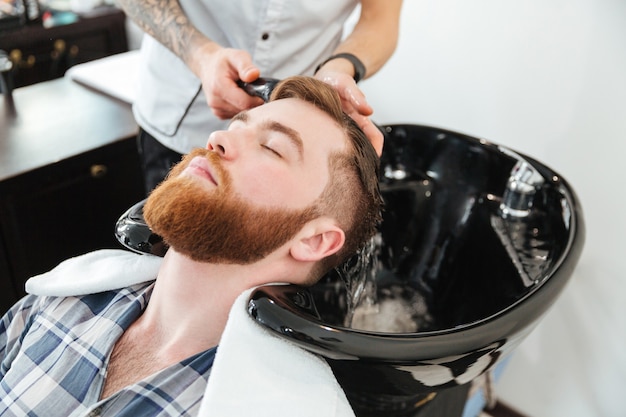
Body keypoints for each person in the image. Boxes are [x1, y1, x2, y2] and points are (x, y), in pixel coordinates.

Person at [0, 76, 383, 416]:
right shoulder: (59, 301)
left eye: (271, 147)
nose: (218, 139)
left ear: (314, 240)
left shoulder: (290, 406)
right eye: (235, 126)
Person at [117, 0, 403, 192]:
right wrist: (200, 56)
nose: (221, 142)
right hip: (178, 113)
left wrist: (339, 67)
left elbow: (380, 22)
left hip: (289, 152)